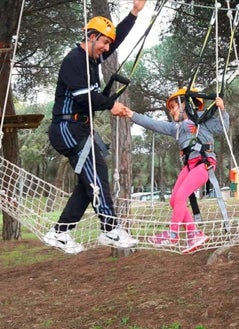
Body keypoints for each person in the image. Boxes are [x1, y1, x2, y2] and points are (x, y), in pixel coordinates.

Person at [44, 0, 147, 254]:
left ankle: (60, 232)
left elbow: (117, 38)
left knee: (87, 183)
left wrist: (134, 13)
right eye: (103, 42)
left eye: (108, 44)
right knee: (97, 176)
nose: (106, 48)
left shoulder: (92, 58)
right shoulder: (75, 61)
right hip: (67, 128)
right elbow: (84, 98)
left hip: (80, 129)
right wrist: (112, 105)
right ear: (91, 37)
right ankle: (110, 229)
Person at [120, 87, 229, 253]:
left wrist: (222, 109)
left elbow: (222, 127)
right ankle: (194, 233)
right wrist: (131, 114)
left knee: (180, 197)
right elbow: (153, 124)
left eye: (174, 107)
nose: (171, 111)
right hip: (189, 166)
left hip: (203, 163)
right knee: (174, 201)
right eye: (170, 108)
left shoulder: (202, 119)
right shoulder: (176, 128)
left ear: (185, 104)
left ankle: (173, 233)